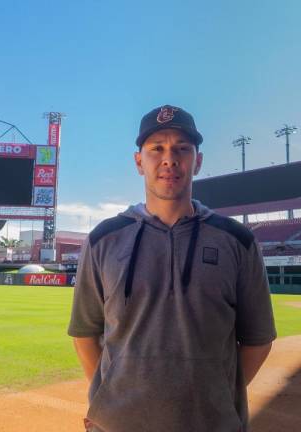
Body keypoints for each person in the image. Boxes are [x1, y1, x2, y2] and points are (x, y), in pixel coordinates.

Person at [68, 105, 276, 432]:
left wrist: (217, 396)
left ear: (198, 161)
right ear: (139, 162)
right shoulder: (102, 240)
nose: (169, 159)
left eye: (182, 148)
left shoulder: (237, 240)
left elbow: (258, 339)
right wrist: (110, 396)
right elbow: (84, 332)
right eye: (157, 149)